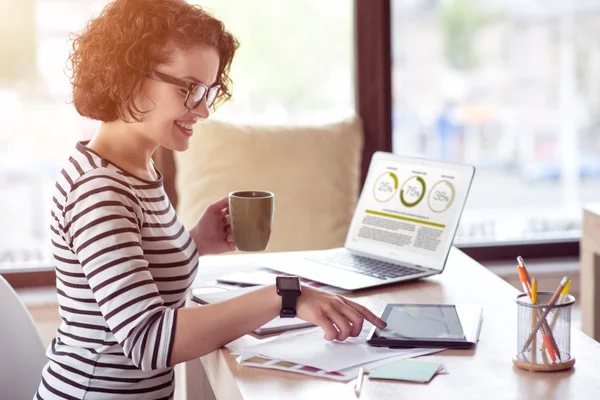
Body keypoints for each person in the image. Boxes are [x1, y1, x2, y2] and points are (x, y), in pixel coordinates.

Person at [35, 0, 386, 398]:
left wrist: (194, 242)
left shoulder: (135, 170)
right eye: (189, 89)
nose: (202, 110)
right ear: (127, 77)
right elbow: (149, 341)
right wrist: (284, 294)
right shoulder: (99, 190)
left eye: (208, 91)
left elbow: (133, 273)